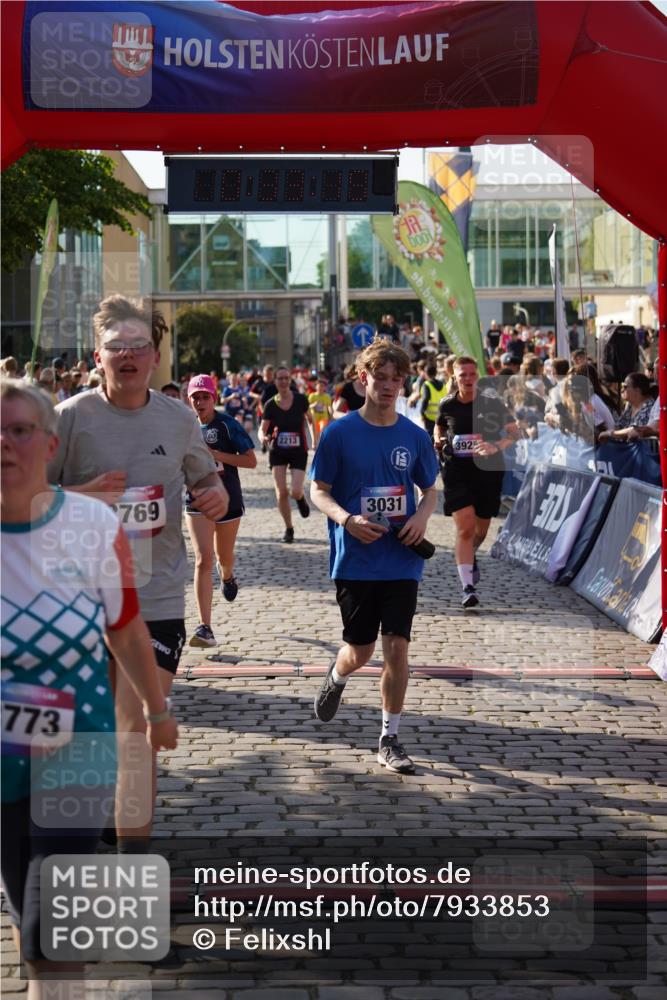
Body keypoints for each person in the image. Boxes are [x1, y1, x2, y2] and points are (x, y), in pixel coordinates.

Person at [1, 378, 177, 996]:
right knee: (29, 916)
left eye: (19, 430)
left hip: (78, 748)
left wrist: (157, 711)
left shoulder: (89, 524)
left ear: (49, 444)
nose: (4, 443)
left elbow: (125, 626)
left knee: (54, 924)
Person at [47, 294, 228, 848]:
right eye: (115, 347)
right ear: (96, 355)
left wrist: (214, 493)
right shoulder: (69, 418)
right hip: (78, 603)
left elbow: (204, 479)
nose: (127, 356)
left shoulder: (176, 420)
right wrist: (80, 496)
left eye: (138, 347)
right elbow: (20, 498)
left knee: (137, 737)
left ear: (155, 356)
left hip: (153, 598)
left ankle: (131, 876)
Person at [310, 340, 438, 774]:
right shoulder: (338, 433)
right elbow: (318, 491)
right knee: (360, 650)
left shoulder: (414, 436)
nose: (388, 385)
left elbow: (430, 490)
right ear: (362, 378)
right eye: (379, 377)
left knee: (397, 648)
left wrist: (421, 517)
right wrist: (347, 520)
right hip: (356, 559)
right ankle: (337, 675)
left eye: (396, 378)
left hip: (402, 559)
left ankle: (390, 737)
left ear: (404, 382)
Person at [435, 356, 518, 609]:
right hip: (456, 470)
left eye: (472, 375)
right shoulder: (447, 404)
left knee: (481, 530)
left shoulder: (493, 404)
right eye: (463, 375)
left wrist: (496, 445)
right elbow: (438, 428)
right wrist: (437, 440)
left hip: (488, 472)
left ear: (477, 376)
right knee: (466, 528)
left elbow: (514, 432)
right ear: (455, 377)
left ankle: (470, 557)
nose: (468, 380)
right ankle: (467, 587)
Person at [185, 374, 256, 647]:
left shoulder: (227, 425)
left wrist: (215, 455)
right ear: (189, 399)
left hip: (227, 499)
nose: (200, 402)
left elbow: (250, 461)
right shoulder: (185, 427)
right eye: (195, 397)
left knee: (222, 556)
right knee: (202, 559)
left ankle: (227, 575)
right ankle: (205, 627)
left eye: (205, 397)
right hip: (195, 500)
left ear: (214, 398)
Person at [261, 366, 312, 542]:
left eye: (285, 378)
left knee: (295, 491)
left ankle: (300, 499)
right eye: (279, 379)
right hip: (278, 451)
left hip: (298, 450)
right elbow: (263, 428)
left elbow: (310, 421)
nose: (283, 382)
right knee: (281, 492)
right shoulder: (270, 404)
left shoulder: (300, 400)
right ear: (274, 381)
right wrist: (263, 438)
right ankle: (289, 528)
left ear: (290, 380)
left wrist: (315, 440)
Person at [597, 373, 655, 442]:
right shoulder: (631, 406)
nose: (622, 390)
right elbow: (619, 426)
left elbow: (636, 429)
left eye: (625, 387)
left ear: (637, 390)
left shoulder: (649, 407)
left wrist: (610, 433)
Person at [419, 361, 447, 440]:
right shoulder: (443, 385)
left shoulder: (426, 384)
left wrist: (422, 414)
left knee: (430, 441)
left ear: (426, 373)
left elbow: (425, 399)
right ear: (436, 373)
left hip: (430, 420)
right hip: (442, 419)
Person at [308, 376, 333, 447]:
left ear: (325, 388)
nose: (321, 388)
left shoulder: (327, 396)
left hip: (323, 417)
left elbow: (329, 406)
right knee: (316, 433)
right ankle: (315, 443)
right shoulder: (312, 396)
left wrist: (331, 414)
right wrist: (314, 405)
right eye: (319, 386)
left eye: (322, 386)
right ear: (316, 387)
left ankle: (321, 444)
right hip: (314, 417)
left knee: (322, 430)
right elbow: (308, 407)